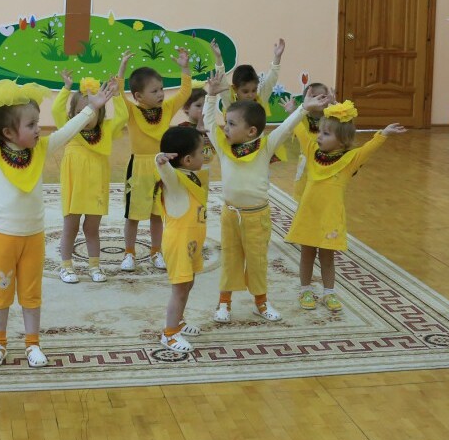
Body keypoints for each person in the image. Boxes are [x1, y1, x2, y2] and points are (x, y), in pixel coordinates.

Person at [0, 78, 115, 368]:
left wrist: (90, 109)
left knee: (31, 295)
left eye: (38, 123)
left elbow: (68, 131)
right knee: (1, 294)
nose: (38, 129)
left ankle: (33, 344)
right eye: (31, 125)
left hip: (33, 238)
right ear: (8, 132)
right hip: (3, 239)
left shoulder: (42, 148)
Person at [202, 69, 312, 323]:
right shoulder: (223, 146)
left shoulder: (265, 146)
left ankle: (260, 303)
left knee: (257, 261)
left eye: (232, 124)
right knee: (230, 258)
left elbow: (285, 128)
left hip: (257, 217)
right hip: (231, 215)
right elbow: (209, 124)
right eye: (227, 122)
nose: (225, 127)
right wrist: (210, 96)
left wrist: (303, 109)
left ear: (251, 131)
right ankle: (224, 302)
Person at [283, 97, 405, 311]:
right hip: (308, 215)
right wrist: (293, 111)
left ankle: (329, 293)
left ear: (342, 140)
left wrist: (383, 134)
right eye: (320, 132)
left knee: (327, 257)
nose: (319, 136)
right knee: (307, 254)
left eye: (326, 134)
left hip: (330, 218)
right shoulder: (311, 150)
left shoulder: (349, 161)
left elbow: (367, 149)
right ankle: (305, 290)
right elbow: (300, 130)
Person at [51, 52, 132, 284]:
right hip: (74, 186)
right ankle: (66, 266)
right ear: (73, 115)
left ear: (101, 112)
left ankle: (94, 266)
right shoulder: (70, 129)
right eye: (80, 112)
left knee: (92, 228)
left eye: (92, 110)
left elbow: (123, 115)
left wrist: (117, 94)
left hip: (96, 187)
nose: (86, 116)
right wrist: (66, 88)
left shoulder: (106, 129)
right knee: (70, 226)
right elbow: (56, 111)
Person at [120, 50, 193, 272]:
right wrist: (122, 68)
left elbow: (185, 92)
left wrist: (184, 68)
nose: (161, 94)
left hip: (161, 167)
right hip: (138, 168)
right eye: (154, 91)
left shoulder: (167, 108)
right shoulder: (132, 111)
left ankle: (156, 251)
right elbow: (118, 95)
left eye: (161, 89)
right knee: (133, 215)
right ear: (138, 96)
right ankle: (129, 253)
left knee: (156, 213)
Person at [153, 126, 209, 354]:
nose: (205, 156)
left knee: (188, 283)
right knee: (180, 289)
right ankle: (169, 334)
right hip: (178, 243)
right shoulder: (175, 180)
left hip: (192, 244)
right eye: (201, 152)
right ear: (187, 159)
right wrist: (160, 159)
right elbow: (165, 171)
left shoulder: (191, 175)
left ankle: (179, 322)